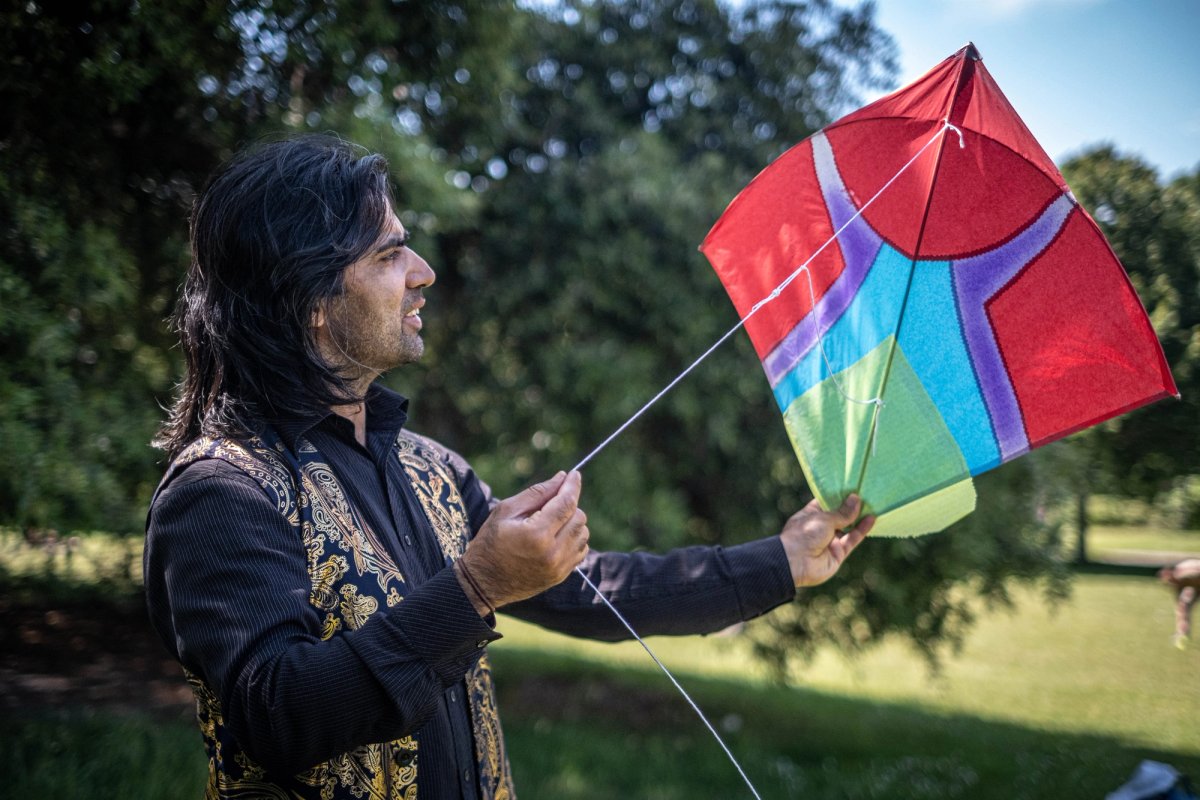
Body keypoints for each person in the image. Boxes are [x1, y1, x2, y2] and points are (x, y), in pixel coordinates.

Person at [143, 134, 874, 800]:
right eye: (388, 255)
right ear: (309, 300)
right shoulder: (221, 490)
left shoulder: (431, 469)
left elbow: (595, 592)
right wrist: (477, 586)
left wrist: (780, 563)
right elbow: (277, 713)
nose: (423, 273)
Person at [1157, 559, 1200, 649]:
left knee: (1184, 605)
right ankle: (1183, 633)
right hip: (1195, 585)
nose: (1170, 585)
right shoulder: (1178, 581)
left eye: (1169, 582)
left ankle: (1182, 633)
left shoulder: (1183, 575)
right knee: (1184, 606)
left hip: (1196, 580)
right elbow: (1181, 607)